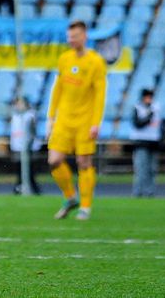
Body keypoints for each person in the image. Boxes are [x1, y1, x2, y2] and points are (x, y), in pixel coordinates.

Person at [47, 20, 107, 221]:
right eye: (69, 37)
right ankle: (70, 197)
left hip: (85, 120)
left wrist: (96, 122)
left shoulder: (96, 62)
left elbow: (100, 94)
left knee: (83, 162)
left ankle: (86, 207)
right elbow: (58, 89)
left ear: (85, 36)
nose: (71, 40)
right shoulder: (65, 59)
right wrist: (51, 117)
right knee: (54, 161)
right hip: (64, 119)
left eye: (75, 36)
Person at [130, 88, 162, 198]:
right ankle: (138, 192)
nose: (149, 99)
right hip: (141, 142)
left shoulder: (157, 107)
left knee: (152, 169)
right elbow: (138, 124)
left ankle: (150, 192)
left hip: (154, 142)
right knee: (141, 168)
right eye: (147, 97)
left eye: (150, 97)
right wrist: (149, 115)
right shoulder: (137, 107)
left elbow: (161, 124)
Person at [9, 96, 41, 195]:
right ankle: (20, 187)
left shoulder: (30, 115)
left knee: (29, 169)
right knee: (19, 168)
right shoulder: (15, 116)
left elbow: (33, 130)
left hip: (29, 147)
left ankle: (32, 188)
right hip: (17, 146)